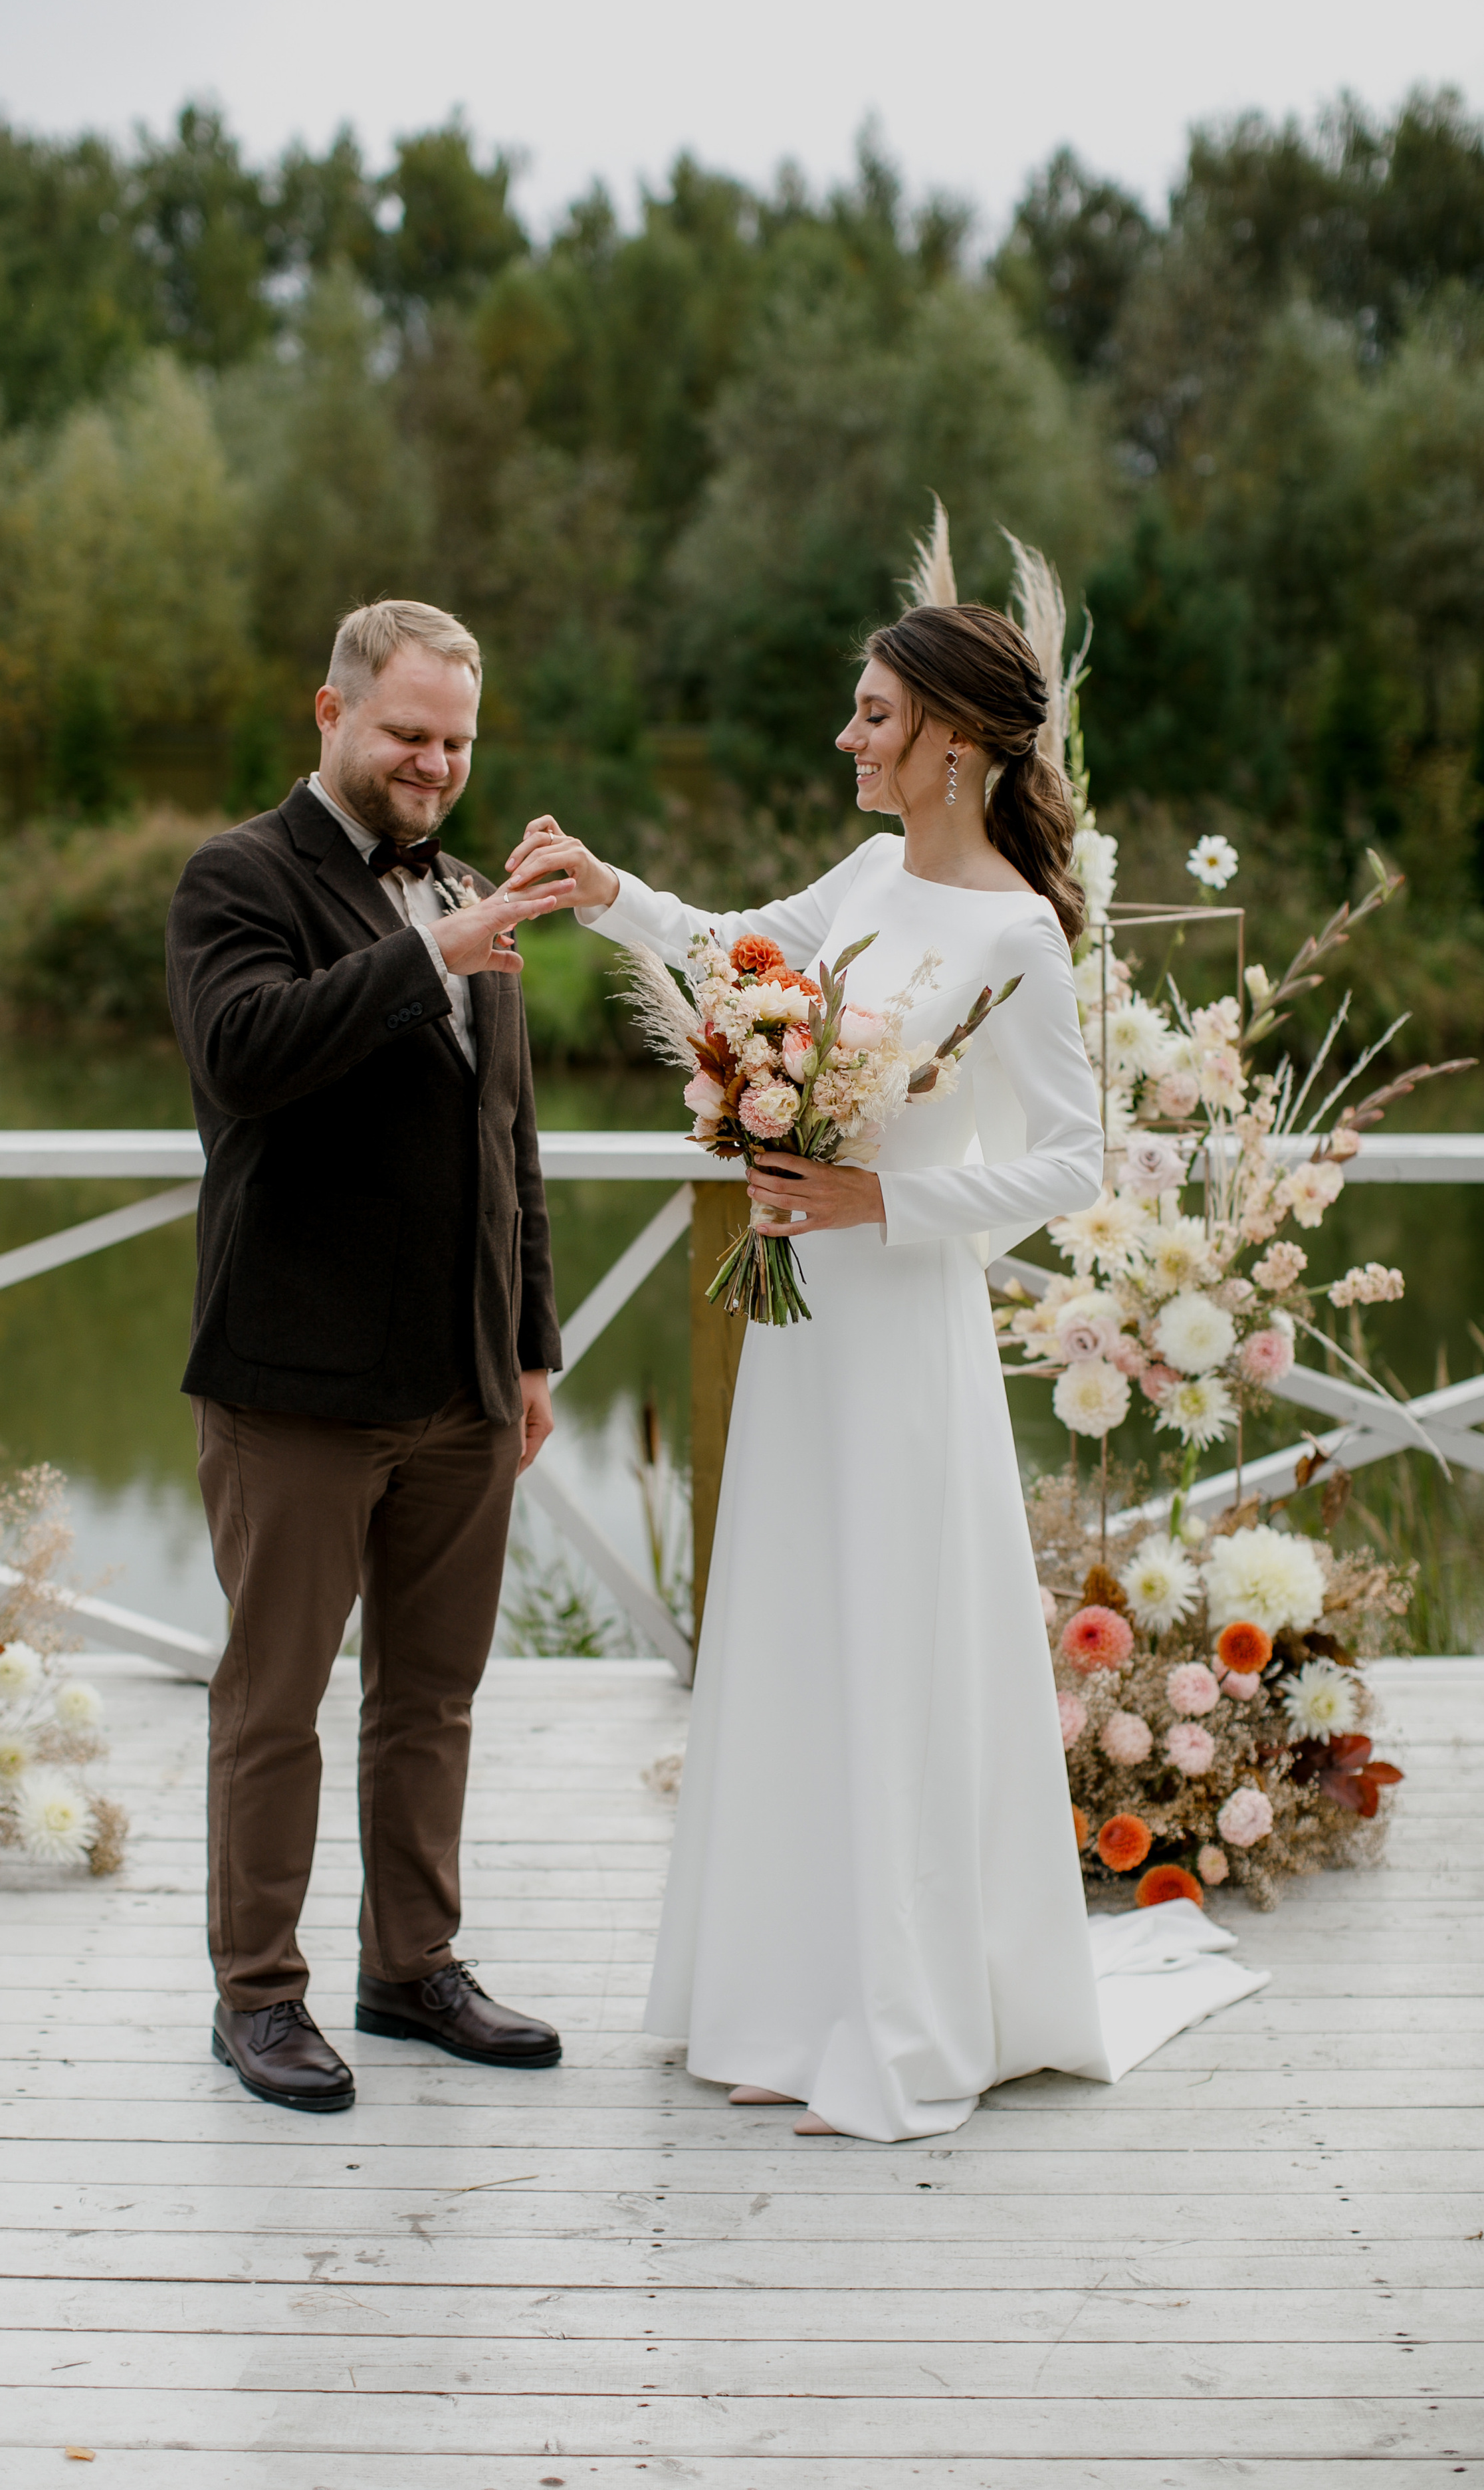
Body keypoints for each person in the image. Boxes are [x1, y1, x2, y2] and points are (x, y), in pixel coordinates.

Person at [502, 598, 1265, 2142]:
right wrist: (608, 895)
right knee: (793, 1630)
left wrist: (885, 1199)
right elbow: (741, 949)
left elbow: (1069, 1162)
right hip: (801, 1332)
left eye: (870, 715)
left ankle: (897, 2021)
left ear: (955, 741)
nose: (845, 738)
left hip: (902, 1324)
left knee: (890, 1639)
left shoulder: (1014, 934)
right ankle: (781, 2003)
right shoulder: (865, 872)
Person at [166, 599, 575, 2112]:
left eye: (458, 740)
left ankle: (410, 1968)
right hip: (294, 1380)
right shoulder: (237, 877)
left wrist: (529, 1344)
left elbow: (508, 1136)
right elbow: (246, 1058)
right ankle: (255, 1996)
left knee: (433, 1698)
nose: (435, 762)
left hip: (462, 1383)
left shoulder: (468, 886)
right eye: (409, 732)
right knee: (272, 1701)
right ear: (328, 716)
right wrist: (430, 954)